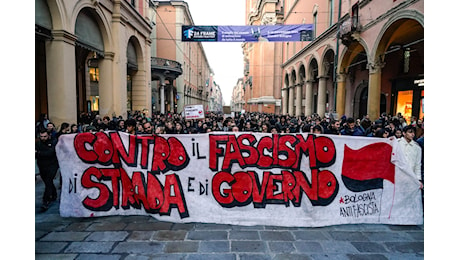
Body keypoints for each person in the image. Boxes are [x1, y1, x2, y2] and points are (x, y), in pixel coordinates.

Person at [35, 129, 59, 211]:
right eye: (41, 136)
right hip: (42, 165)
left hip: (52, 165)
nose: (43, 138)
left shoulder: (54, 142)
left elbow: (50, 153)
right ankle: (54, 193)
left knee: (48, 181)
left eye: (45, 136)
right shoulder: (38, 143)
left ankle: (45, 200)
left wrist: (39, 153)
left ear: (48, 135)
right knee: (47, 182)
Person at [398, 125, 423, 190]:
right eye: (410, 132)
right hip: (398, 176)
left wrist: (418, 179)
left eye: (413, 133)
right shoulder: (397, 144)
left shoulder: (417, 147)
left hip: (411, 176)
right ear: (404, 133)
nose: (412, 134)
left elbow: (418, 164)